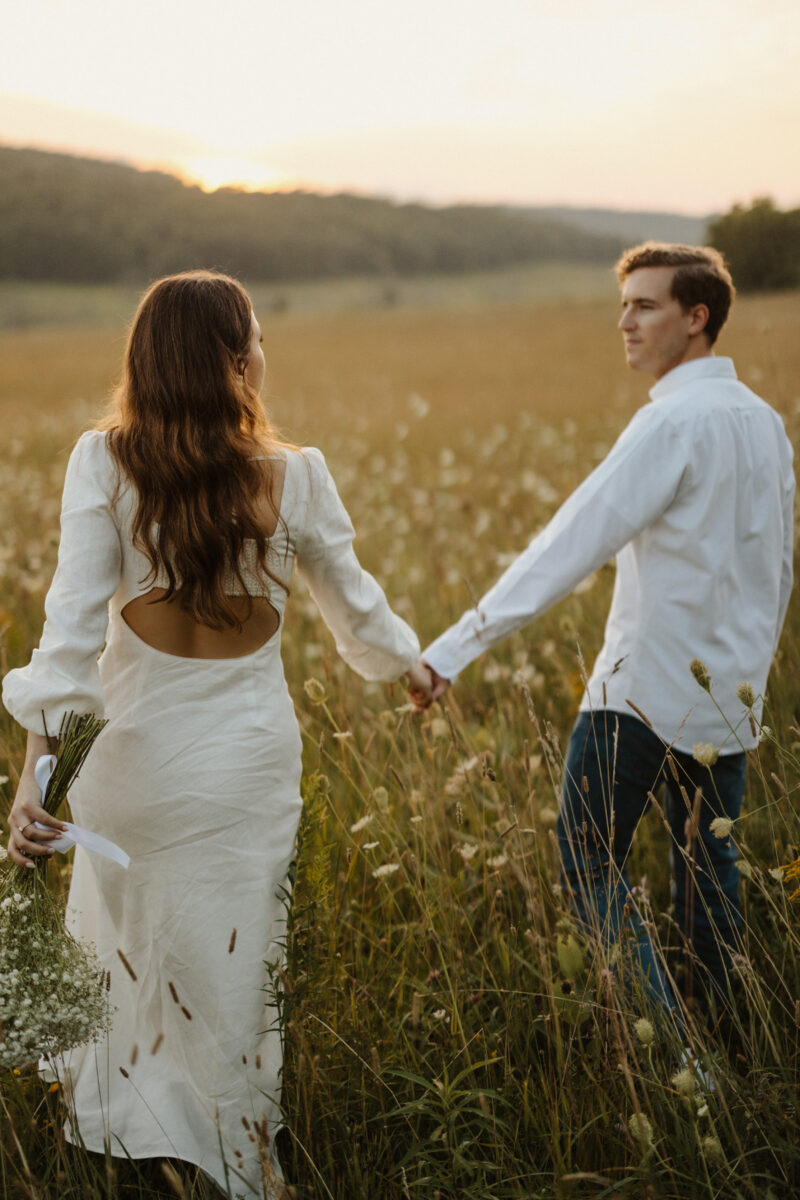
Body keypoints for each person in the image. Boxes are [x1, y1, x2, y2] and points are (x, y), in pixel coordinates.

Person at [4, 270, 432, 1199]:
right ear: (236, 362)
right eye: (258, 340)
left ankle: (156, 1134)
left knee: (139, 962)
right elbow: (361, 618)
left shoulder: (101, 463)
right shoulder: (299, 476)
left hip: (132, 772)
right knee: (233, 974)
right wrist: (414, 665)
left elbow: (67, 646)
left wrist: (33, 787)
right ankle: (244, 1158)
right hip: (245, 767)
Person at [413, 243, 794, 1015]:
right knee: (708, 867)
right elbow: (775, 571)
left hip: (642, 695)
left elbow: (568, 544)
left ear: (698, 317)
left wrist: (451, 650)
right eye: (623, 305)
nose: (624, 322)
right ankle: (717, 1039)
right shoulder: (766, 425)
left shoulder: (670, 425)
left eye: (645, 306)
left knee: (589, 860)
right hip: (728, 700)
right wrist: (750, 684)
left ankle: (676, 1058)